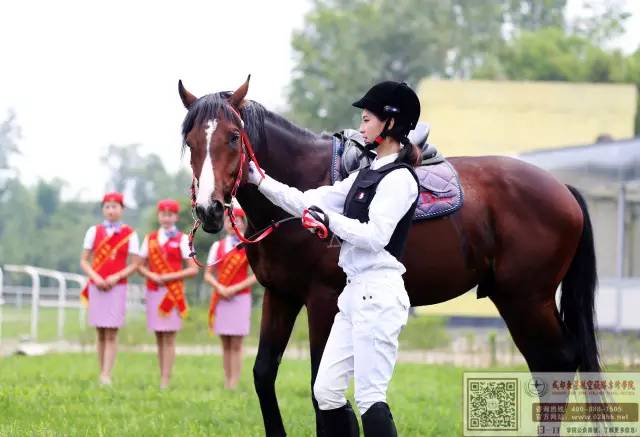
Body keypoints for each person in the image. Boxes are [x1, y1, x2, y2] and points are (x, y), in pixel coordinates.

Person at [247, 81, 422, 436]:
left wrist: (331, 224)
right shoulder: (365, 173)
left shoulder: (400, 179)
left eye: (367, 118)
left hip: (381, 293)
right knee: (326, 391)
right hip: (353, 295)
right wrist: (259, 179)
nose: (360, 126)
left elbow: (375, 237)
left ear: (390, 123)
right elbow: (310, 199)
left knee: (371, 398)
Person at [80, 192, 140, 386]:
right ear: (103, 209)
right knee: (100, 330)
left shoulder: (130, 234)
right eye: (107, 206)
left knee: (112, 331)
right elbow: (84, 260)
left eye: (115, 206)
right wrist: (96, 278)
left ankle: (107, 373)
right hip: (96, 286)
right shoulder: (93, 231)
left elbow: (134, 264)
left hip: (117, 286)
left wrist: (117, 276)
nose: (111, 210)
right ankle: (101, 372)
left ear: (122, 210)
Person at [137, 199, 198, 389]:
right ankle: (161, 375)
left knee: (169, 336)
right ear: (159, 216)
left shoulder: (183, 239)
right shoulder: (150, 238)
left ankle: (166, 378)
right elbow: (139, 265)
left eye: (170, 214)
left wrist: (170, 276)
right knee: (159, 335)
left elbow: (193, 269)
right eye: (163, 214)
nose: (166, 218)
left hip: (173, 293)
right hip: (154, 290)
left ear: (176, 217)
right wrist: (152, 276)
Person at [203, 208, 257, 390]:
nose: (233, 224)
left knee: (236, 343)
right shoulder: (217, 247)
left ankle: (234, 382)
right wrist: (220, 287)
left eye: (237, 220)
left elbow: (257, 275)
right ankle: (227, 381)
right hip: (221, 298)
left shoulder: (250, 244)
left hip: (240, 298)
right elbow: (208, 274)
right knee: (225, 342)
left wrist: (235, 288)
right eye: (229, 220)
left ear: (243, 222)